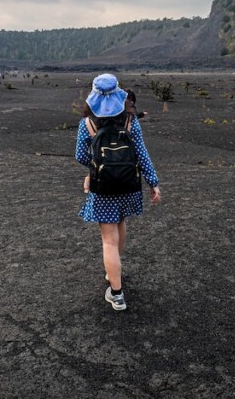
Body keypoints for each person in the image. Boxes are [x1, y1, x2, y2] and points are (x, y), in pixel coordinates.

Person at [75, 73, 161, 311]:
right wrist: (153, 182)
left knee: (108, 241)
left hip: (103, 188)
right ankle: (115, 272)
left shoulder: (88, 124)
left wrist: (97, 167)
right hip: (128, 185)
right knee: (121, 224)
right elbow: (142, 154)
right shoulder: (131, 122)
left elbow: (80, 156)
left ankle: (117, 292)